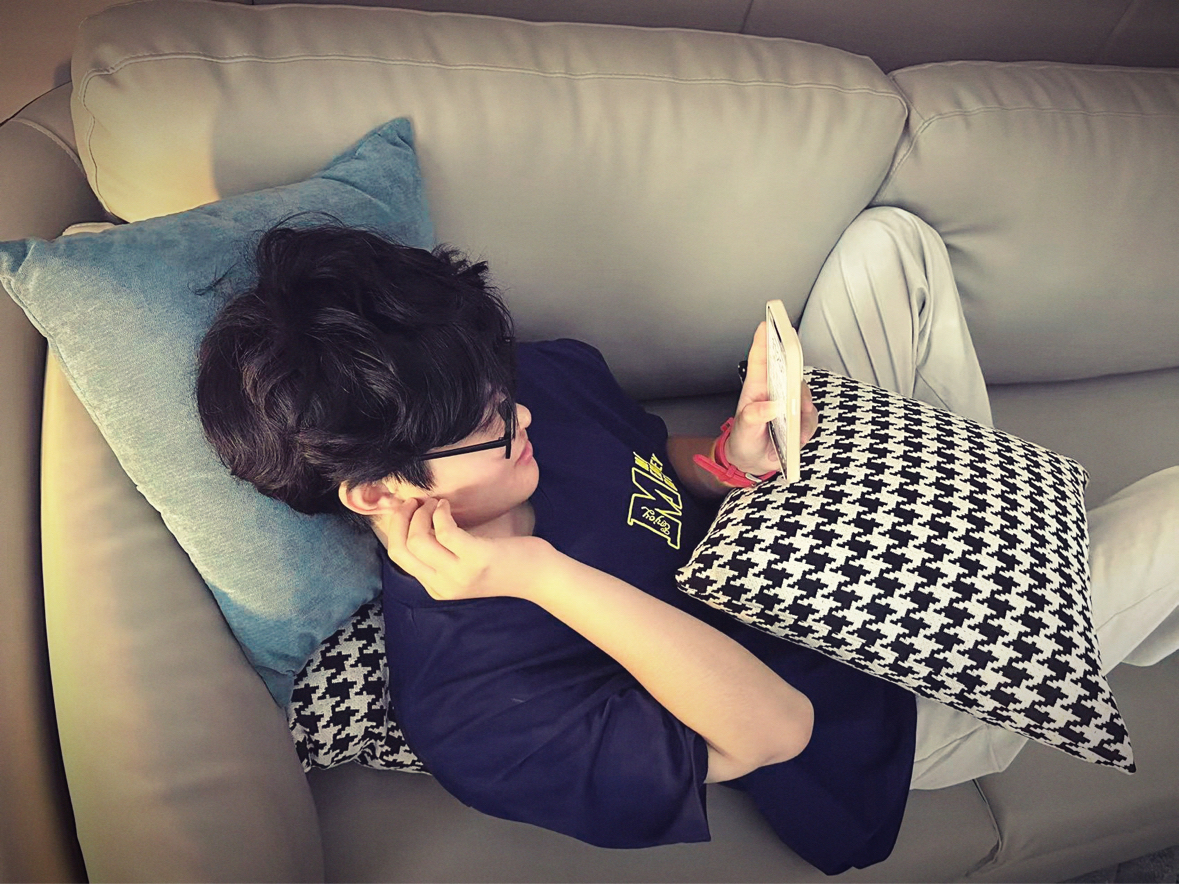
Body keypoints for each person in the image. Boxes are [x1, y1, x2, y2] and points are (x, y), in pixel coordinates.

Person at [195, 207, 1179, 873]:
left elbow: (645, 463)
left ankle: (1003, 522)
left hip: (820, 520)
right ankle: (1057, 588)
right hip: (895, 707)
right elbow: (775, 729)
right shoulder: (476, 710)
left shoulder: (523, 389)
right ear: (378, 489)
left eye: (501, 385)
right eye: (487, 423)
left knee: (894, 245)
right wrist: (538, 572)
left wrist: (729, 459)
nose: (520, 413)